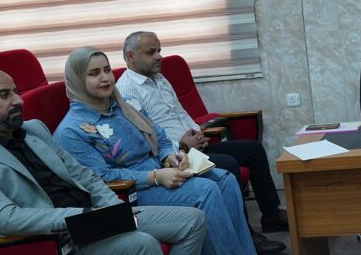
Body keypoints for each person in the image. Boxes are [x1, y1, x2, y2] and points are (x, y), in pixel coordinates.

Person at [0, 70, 206, 255]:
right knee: (143, 245)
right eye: (4, 95)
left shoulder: (34, 129)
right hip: (56, 242)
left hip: (97, 216)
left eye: (16, 91)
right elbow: (5, 218)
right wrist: (84, 217)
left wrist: (113, 208)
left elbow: (85, 175)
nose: (18, 100)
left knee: (193, 221)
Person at [54, 47, 269, 255]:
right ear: (77, 81)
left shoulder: (124, 105)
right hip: (131, 192)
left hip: (160, 169)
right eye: (94, 74)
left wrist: (171, 156)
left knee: (225, 179)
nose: (105, 78)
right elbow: (100, 180)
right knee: (206, 191)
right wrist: (155, 176)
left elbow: (161, 137)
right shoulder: (72, 131)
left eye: (107, 70)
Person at [116, 32, 289, 240]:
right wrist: (182, 145)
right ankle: (246, 236)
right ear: (130, 56)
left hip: (192, 148)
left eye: (159, 51)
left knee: (253, 149)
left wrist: (197, 132)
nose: (159, 56)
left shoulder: (160, 78)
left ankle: (272, 215)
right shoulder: (126, 91)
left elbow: (180, 112)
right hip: (171, 158)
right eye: (151, 52)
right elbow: (145, 138)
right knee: (228, 164)